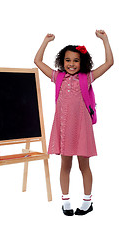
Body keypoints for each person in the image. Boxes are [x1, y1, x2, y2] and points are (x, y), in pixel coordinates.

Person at [34, 30, 114, 216]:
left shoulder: (87, 78)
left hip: (82, 129)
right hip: (63, 128)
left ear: (82, 62)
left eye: (76, 60)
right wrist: (46, 41)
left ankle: (87, 202)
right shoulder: (58, 77)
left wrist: (105, 39)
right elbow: (37, 61)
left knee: (84, 166)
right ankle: (66, 201)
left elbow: (109, 63)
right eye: (68, 60)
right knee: (65, 165)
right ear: (62, 61)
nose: (71, 64)